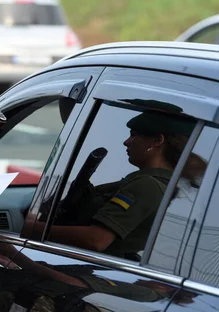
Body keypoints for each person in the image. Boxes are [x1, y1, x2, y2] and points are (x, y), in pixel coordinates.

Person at [50, 106, 203, 259]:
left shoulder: (146, 185)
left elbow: (96, 240)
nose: (126, 142)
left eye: (134, 135)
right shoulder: (164, 184)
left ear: (157, 141)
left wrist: (31, 227)